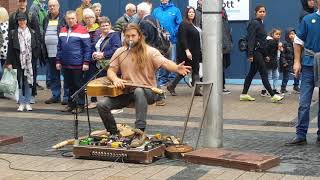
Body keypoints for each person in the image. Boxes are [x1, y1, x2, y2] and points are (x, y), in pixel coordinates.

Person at [96, 24, 191, 147]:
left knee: (139, 91)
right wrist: (115, 79)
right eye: (127, 36)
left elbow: (165, 62)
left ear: (139, 36)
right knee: (102, 104)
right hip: (127, 92)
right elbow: (111, 70)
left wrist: (176, 68)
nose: (130, 38)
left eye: (133, 36)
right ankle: (114, 133)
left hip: (149, 92)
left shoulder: (150, 51)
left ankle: (139, 132)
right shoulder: (120, 52)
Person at [285, 0, 320, 146]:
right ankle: (301, 135)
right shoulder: (308, 19)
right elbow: (298, 42)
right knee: (304, 102)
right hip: (308, 64)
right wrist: (296, 62)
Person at [239, 5, 283, 103]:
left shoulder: (261, 23)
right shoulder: (254, 23)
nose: (262, 13)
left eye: (263, 11)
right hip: (255, 52)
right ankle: (273, 95)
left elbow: (262, 42)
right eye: (260, 11)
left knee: (251, 74)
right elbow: (251, 39)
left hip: (260, 52)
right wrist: (250, 54)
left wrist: (266, 54)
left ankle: (244, 94)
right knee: (264, 73)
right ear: (256, 12)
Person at [56, 10, 91, 113]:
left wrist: (86, 62)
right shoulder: (62, 30)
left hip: (78, 64)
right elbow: (59, 47)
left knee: (78, 85)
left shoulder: (83, 30)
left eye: (72, 18)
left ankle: (80, 105)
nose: (70, 20)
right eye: (68, 19)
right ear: (66, 20)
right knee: (68, 85)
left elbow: (88, 48)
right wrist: (58, 61)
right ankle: (71, 105)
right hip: (65, 64)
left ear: (76, 19)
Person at [9, 0, 42, 104]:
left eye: (24, 1)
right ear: (18, 3)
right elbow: (10, 33)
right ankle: (20, 96)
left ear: (26, 3)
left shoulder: (32, 15)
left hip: (30, 52)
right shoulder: (13, 16)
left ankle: (32, 94)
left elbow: (37, 34)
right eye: (20, 1)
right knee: (19, 76)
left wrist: (36, 51)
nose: (22, 3)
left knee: (32, 74)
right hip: (17, 52)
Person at [167, 6, 202, 96]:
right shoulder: (183, 24)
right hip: (187, 52)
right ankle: (172, 86)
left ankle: (196, 90)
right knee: (186, 70)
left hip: (196, 51)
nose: (191, 14)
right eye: (190, 12)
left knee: (195, 69)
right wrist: (187, 51)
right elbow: (182, 39)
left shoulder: (194, 25)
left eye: (193, 12)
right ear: (186, 14)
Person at [43, 0, 69, 105]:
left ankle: (67, 96)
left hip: (61, 52)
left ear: (58, 7)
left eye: (54, 6)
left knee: (66, 75)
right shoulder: (46, 19)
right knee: (53, 75)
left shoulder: (64, 18)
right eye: (50, 6)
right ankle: (56, 95)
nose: (52, 7)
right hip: (49, 52)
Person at [152, 0, 182, 87]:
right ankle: (162, 79)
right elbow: (153, 23)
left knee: (171, 59)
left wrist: (172, 34)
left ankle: (171, 80)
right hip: (159, 42)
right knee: (160, 60)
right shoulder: (156, 11)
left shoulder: (176, 10)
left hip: (172, 40)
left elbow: (179, 24)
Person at [261, 28, 282, 96]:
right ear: (272, 34)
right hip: (268, 62)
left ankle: (274, 89)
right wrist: (266, 57)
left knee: (276, 75)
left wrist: (279, 48)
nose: (278, 35)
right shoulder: (270, 41)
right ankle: (265, 91)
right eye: (276, 34)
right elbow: (265, 50)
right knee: (268, 76)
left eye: (279, 34)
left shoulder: (275, 42)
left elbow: (277, 51)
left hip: (274, 62)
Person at [280, 28, 300, 94]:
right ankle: (283, 88)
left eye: (293, 34)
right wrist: (284, 62)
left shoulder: (297, 43)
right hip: (288, 63)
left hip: (295, 63)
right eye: (290, 34)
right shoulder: (285, 44)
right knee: (286, 77)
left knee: (297, 74)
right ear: (287, 35)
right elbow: (282, 54)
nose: (291, 35)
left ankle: (296, 87)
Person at [222, 7, 233, 94]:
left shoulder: (225, 21)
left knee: (226, 64)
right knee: (220, 68)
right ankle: (221, 86)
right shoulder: (217, 22)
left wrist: (230, 44)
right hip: (221, 48)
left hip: (227, 48)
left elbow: (228, 34)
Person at [0, 7, 9, 98]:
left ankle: (2, 92)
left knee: (5, 72)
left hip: (6, 53)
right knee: (0, 71)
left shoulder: (8, 25)